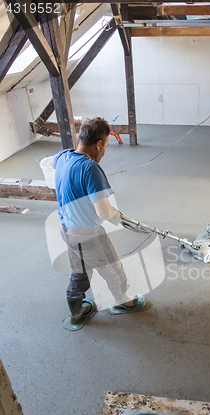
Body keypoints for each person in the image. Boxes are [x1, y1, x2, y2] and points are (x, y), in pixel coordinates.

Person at [53, 117, 147, 328]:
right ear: (98, 144)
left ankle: (76, 310)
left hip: (67, 230)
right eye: (105, 146)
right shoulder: (91, 169)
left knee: (80, 271)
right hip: (87, 234)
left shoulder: (62, 157)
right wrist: (116, 215)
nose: (104, 151)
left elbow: (50, 163)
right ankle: (122, 301)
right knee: (112, 267)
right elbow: (104, 212)